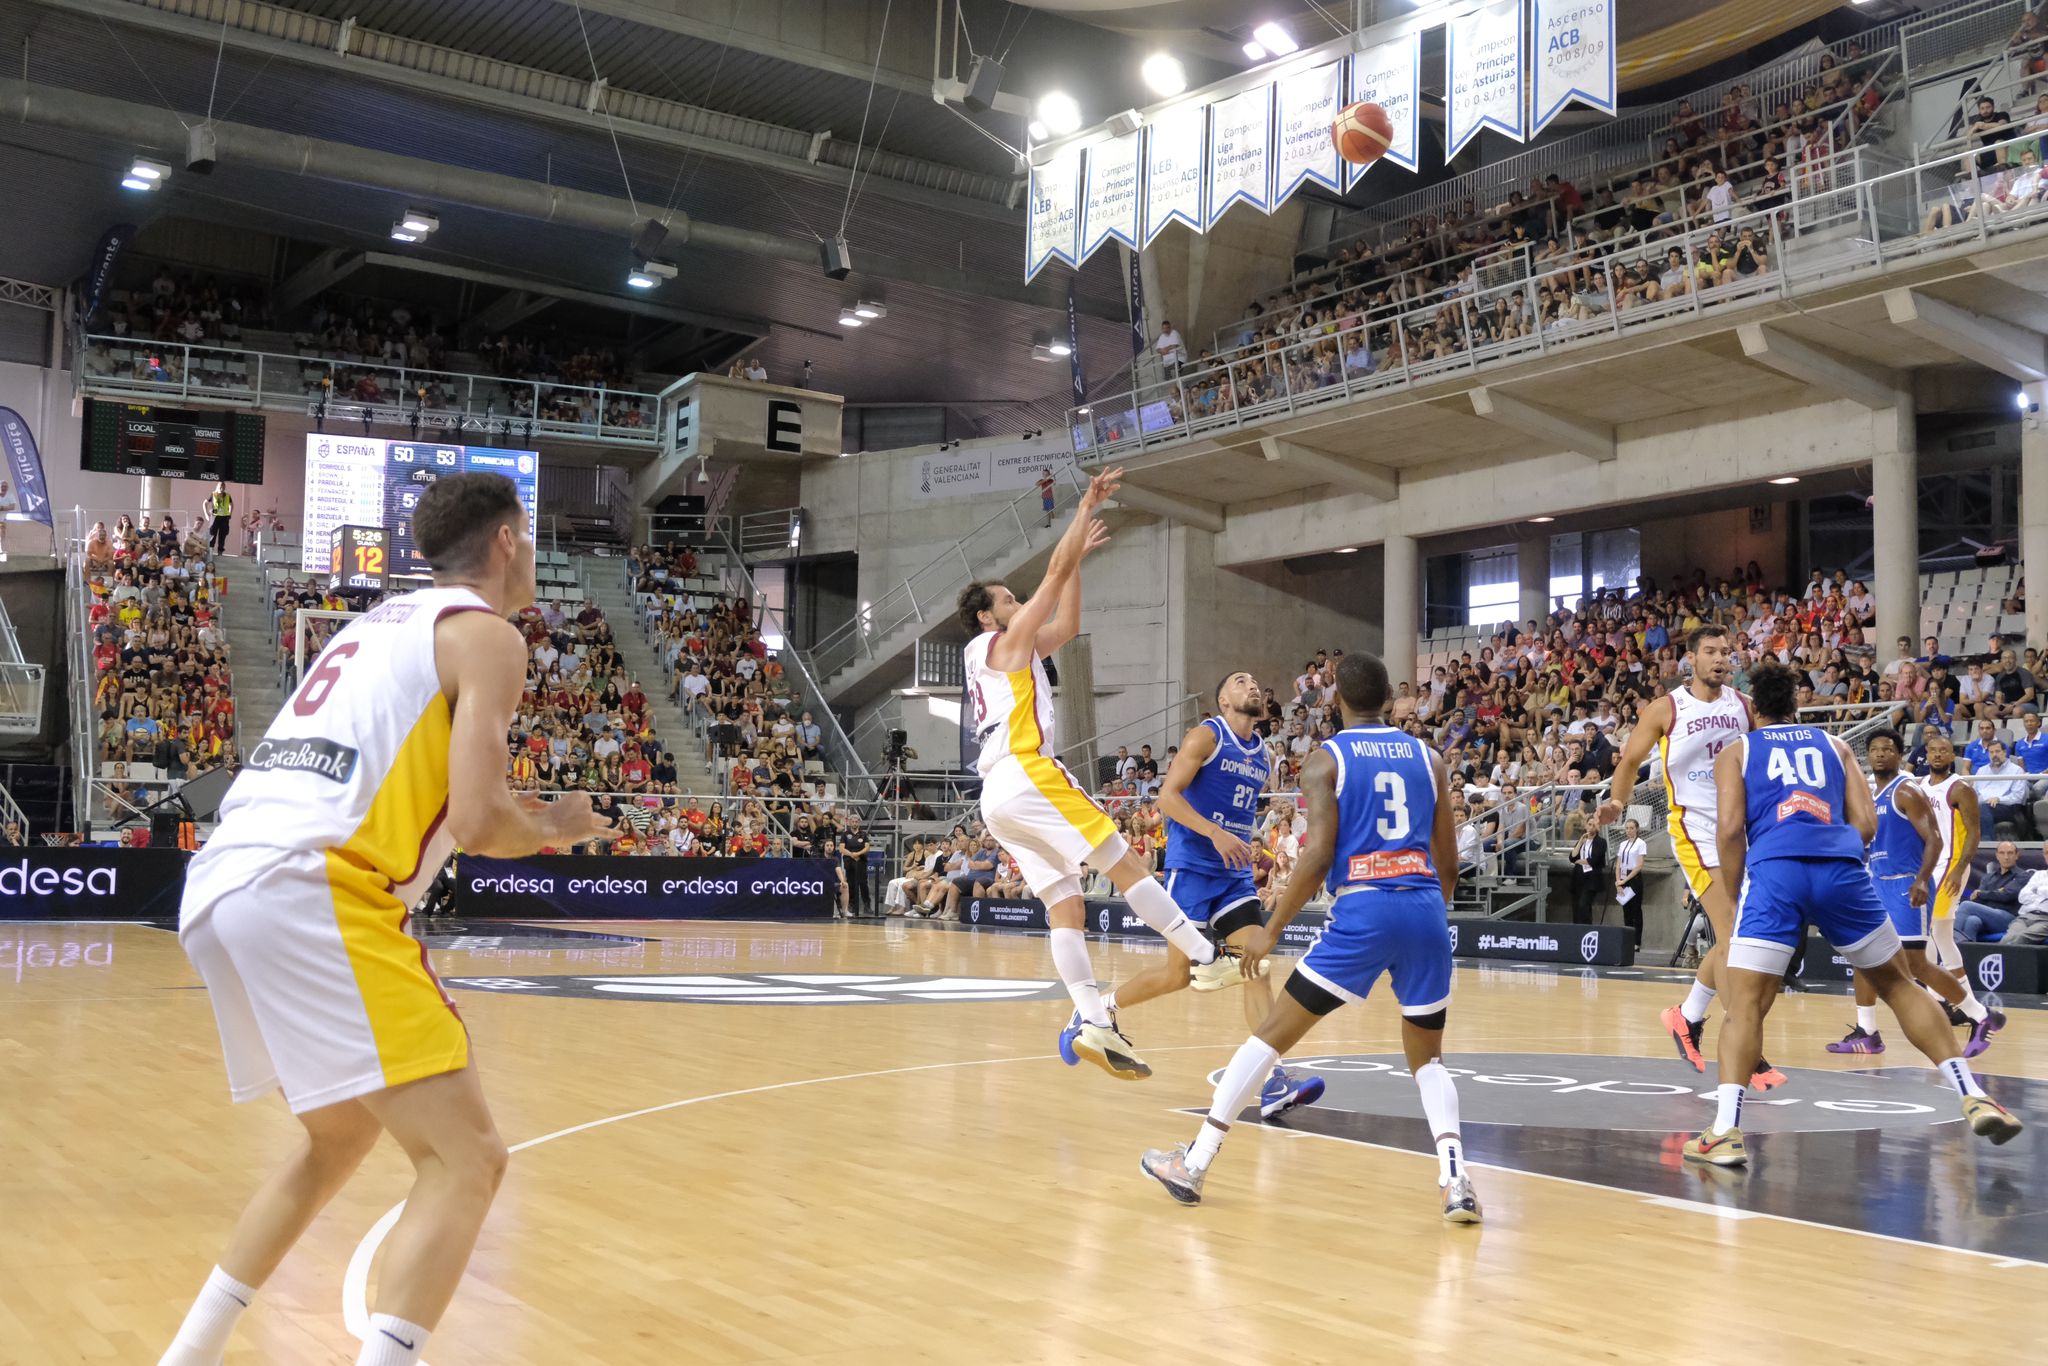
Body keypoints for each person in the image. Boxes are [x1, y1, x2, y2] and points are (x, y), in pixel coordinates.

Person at [163, 473, 612, 1366]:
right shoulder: (488, 636)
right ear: (508, 542)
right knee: (469, 1158)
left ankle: (190, 1354)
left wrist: (517, 814)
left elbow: (442, 793)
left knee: (339, 1137)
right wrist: (554, 826)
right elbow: (483, 827)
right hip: (313, 886)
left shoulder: (380, 622)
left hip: (224, 877)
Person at [1139, 652, 1477, 1221]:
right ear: (1390, 702)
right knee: (1429, 1061)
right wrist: (1426, 909)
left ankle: (1194, 1164)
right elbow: (1449, 863)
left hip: (1364, 911)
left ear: (1337, 701)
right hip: (1424, 910)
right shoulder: (1430, 757)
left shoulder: (1325, 760)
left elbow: (1318, 855)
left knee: (1268, 1038)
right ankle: (1456, 1180)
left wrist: (1272, 930)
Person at [957, 466, 1238, 1081]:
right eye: (1006, 599)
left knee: (1066, 904)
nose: (1016, 602)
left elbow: (1068, 625)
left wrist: (1078, 559)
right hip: (1028, 770)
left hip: (997, 796)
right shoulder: (998, 646)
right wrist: (1080, 510)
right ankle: (1204, 953)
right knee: (1123, 858)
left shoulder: (1006, 653)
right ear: (986, 618)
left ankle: (1092, 1018)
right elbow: (1051, 581)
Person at [1684, 664, 2020, 1166]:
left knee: (1746, 1006)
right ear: (1798, 703)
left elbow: (1730, 830)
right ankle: (1972, 1093)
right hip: (1842, 871)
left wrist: (1733, 894)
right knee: (1900, 984)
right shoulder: (1836, 746)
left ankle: (1725, 1132)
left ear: (1752, 707)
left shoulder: (1739, 750)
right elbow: (1865, 824)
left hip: (1776, 874)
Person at [1087, 670, 1324, 1117]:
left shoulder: (1264, 756)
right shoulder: (1206, 736)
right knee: (1177, 977)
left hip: (1232, 877)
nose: (1252, 685)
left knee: (1258, 966)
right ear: (1223, 700)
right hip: (1192, 868)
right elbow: (1167, 798)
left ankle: (1272, 1082)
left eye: (1255, 681)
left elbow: (1234, 808)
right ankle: (1101, 1009)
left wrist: (1240, 840)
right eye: (1240, 682)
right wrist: (1214, 833)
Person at [1596, 625, 1782, 1089]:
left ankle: (1687, 1015)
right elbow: (1629, 763)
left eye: (1727, 652)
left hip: (1742, 829)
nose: (1722, 659)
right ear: (1692, 661)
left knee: (1737, 937)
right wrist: (1618, 804)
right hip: (1695, 830)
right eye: (1712, 652)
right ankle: (1746, 1048)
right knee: (1735, 935)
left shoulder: (1743, 708)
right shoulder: (1667, 708)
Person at [1825, 730, 2001, 1057]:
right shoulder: (1870, 796)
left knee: (1916, 964)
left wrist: (1921, 880)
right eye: (1874, 749)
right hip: (1876, 883)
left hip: (1906, 883)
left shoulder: (1905, 790)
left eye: (1887, 749)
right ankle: (1868, 1032)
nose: (1879, 754)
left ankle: (1980, 1016)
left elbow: (1935, 839)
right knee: (1863, 955)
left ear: (1899, 755)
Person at [1920, 732, 1994, 1023]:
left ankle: (1937, 1002)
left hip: (1951, 868)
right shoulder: (1919, 786)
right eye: (1933, 750)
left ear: (1953, 756)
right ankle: (1967, 1007)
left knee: (1925, 932)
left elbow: (1974, 833)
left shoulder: (1960, 788)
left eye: (1944, 750)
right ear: (1926, 755)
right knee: (1941, 936)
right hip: (1928, 867)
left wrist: (1962, 869)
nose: (1938, 755)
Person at [1613, 818, 1647, 948]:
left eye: (1632, 828)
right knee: (1626, 909)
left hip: (1634, 877)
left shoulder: (1641, 843)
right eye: (1627, 828)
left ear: (1637, 829)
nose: (1629, 830)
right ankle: (1627, 940)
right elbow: (1618, 864)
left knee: (1636, 910)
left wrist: (1625, 880)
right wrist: (1618, 882)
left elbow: (1639, 865)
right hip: (1622, 876)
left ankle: (1636, 942)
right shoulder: (1623, 844)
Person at [1569, 815, 1607, 922]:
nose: (1591, 827)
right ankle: (1577, 931)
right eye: (1589, 824)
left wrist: (1580, 861)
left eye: (1594, 825)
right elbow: (1572, 857)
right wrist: (1580, 842)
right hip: (1578, 877)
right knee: (1576, 907)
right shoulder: (1581, 841)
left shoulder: (1601, 842)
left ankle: (1586, 930)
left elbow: (1593, 859)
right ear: (1585, 825)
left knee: (1583, 905)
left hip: (1591, 879)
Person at [838, 816, 873, 918]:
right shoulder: (845, 834)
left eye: (856, 822)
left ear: (859, 823)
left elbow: (867, 848)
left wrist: (858, 853)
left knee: (863, 883)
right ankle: (851, 904)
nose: (854, 823)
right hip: (849, 861)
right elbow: (841, 849)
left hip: (861, 861)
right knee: (851, 883)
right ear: (849, 823)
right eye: (852, 821)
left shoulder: (863, 834)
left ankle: (867, 905)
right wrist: (852, 854)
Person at [206, 481, 235, 556]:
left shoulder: (227, 495)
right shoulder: (213, 494)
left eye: (224, 486)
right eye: (221, 486)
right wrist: (206, 514)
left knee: (223, 535)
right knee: (212, 534)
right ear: (218, 486)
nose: (222, 488)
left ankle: (220, 552)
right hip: (215, 516)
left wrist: (230, 513)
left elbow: (231, 504)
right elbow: (204, 503)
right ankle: (210, 551)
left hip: (224, 517)